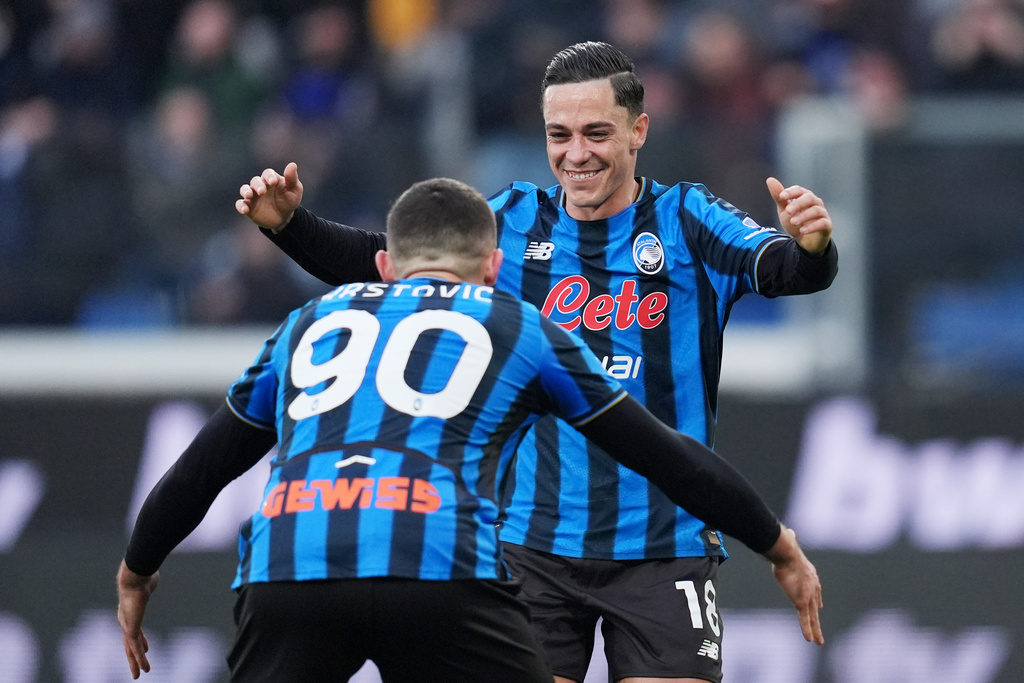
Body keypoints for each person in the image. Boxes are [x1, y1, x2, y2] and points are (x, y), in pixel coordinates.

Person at [235, 41, 835, 683]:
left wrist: (812, 244)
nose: (576, 154)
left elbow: (784, 271)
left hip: (664, 545)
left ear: (639, 131)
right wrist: (291, 226)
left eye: (597, 133)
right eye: (560, 135)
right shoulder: (513, 221)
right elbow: (390, 261)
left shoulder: (689, 219)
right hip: (532, 545)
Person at [118, 177, 821, 682]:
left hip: (290, 564)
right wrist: (776, 541)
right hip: (437, 560)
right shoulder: (516, 323)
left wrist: (138, 566)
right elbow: (671, 458)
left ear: (388, 268)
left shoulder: (310, 321)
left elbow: (202, 467)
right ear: (492, 272)